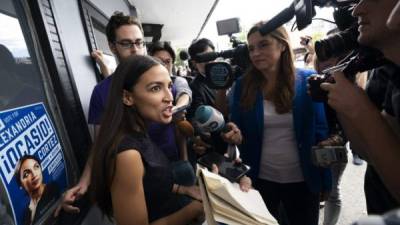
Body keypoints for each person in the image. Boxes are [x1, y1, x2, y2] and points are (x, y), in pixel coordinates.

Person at [228, 22, 331, 225]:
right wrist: (235, 135)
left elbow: (321, 134)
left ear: (282, 45)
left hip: (303, 180)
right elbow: (237, 128)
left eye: (263, 45)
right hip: (259, 180)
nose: (256, 53)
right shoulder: (242, 85)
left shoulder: (308, 80)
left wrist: (325, 180)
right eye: (251, 48)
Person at [90, 55, 203, 225]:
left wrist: (183, 189)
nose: (169, 97)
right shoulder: (127, 155)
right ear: (128, 97)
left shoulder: (139, 131)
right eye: (155, 88)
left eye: (169, 86)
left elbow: (151, 182)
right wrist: (196, 209)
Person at [320, 0, 400, 202]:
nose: (356, 10)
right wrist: (344, 91)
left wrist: (359, 108)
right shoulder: (386, 70)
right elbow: (369, 152)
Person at [14, 155, 60, 225]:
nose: (34, 174)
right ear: (21, 185)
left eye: (36, 167)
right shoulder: (26, 213)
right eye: (26, 174)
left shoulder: (52, 188)